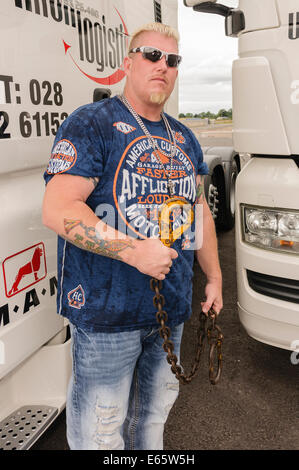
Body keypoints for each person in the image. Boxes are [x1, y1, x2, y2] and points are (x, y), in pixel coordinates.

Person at [42, 22, 223, 450]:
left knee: (151, 424)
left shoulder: (185, 139)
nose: (163, 66)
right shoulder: (92, 124)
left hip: (169, 312)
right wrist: (133, 251)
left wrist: (214, 277)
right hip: (107, 317)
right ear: (128, 62)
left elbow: (200, 215)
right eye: (151, 55)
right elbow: (58, 209)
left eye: (173, 60)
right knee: (101, 435)